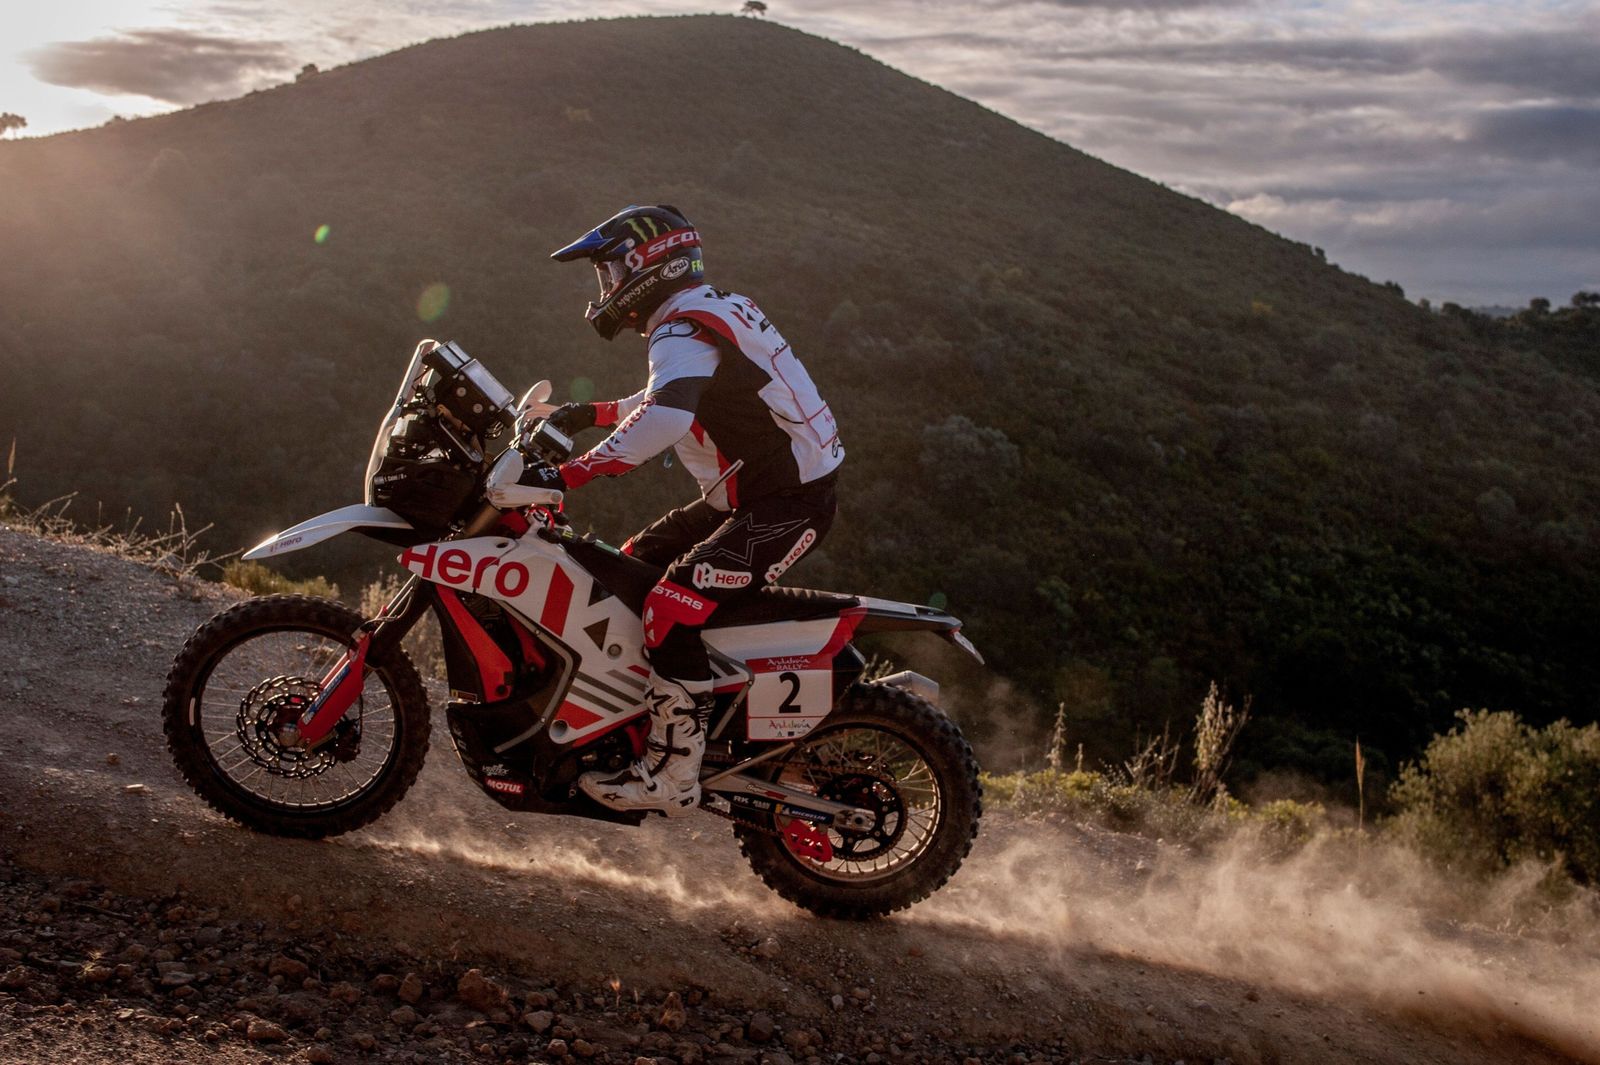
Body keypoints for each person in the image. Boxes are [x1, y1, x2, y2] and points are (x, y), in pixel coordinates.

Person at [536, 204, 844, 816]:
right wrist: (588, 413)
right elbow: (671, 395)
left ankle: (675, 771)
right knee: (627, 569)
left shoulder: (680, 326)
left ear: (645, 264)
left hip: (786, 502)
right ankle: (639, 714)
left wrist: (569, 475)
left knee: (672, 607)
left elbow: (668, 417)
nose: (607, 289)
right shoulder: (704, 311)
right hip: (751, 494)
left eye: (609, 272)